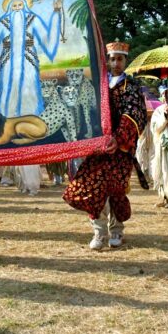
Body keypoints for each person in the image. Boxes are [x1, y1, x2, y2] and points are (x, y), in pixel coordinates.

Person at [63, 41, 147, 250]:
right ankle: (99, 233)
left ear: (125, 60)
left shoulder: (132, 87)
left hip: (120, 149)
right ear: (107, 61)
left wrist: (118, 139)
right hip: (97, 148)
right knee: (92, 187)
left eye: (120, 59)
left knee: (116, 190)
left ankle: (116, 230)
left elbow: (134, 114)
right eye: (112, 59)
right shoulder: (97, 85)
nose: (116, 63)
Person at [0, 0, 63, 118]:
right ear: (10, 8)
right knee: (8, 88)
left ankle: (31, 115)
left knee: (30, 87)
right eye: (14, 6)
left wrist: (56, 12)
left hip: (29, 61)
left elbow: (47, 38)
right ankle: (9, 117)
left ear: (25, 6)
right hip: (7, 63)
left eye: (20, 5)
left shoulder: (33, 19)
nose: (17, 8)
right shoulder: (2, 23)